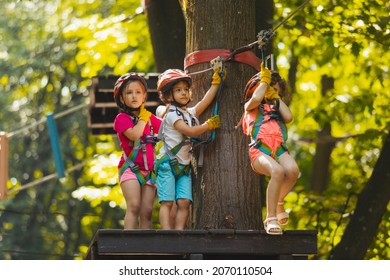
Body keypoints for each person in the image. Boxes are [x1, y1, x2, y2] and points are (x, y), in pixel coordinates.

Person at [154, 67, 225, 230]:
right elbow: (190, 131)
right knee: (168, 202)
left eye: (186, 89)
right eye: (178, 90)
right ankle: (167, 234)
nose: (184, 93)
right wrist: (208, 125)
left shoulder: (189, 113)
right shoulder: (171, 115)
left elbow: (204, 102)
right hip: (168, 164)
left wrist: (215, 83)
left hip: (184, 167)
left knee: (185, 202)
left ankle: (179, 234)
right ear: (168, 95)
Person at [242, 63, 299, 235]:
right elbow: (257, 98)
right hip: (259, 150)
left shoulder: (277, 109)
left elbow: (288, 117)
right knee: (278, 171)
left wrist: (276, 97)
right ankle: (271, 218)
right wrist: (264, 83)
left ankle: (279, 201)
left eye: (276, 90)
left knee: (293, 170)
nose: (270, 92)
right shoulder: (251, 107)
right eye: (268, 88)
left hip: (279, 148)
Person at [113, 72, 162, 229]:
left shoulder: (149, 118)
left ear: (144, 96)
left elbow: (168, 127)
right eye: (129, 92)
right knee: (134, 206)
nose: (134, 96)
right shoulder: (121, 119)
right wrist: (143, 118)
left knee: (146, 212)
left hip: (149, 171)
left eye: (138, 92)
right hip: (130, 169)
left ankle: (146, 250)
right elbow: (135, 134)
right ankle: (129, 245)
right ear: (122, 98)